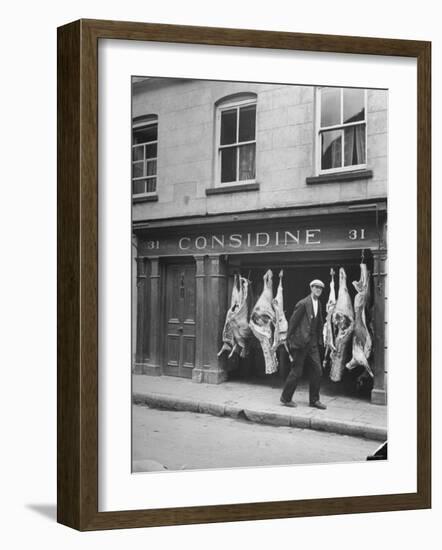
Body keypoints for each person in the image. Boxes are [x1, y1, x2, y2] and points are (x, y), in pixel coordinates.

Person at [280, 279, 327, 409]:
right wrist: (289, 340)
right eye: (316, 287)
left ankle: (314, 400)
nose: (318, 290)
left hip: (312, 343)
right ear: (311, 288)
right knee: (297, 371)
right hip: (300, 343)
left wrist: (320, 340)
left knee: (317, 370)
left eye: (320, 288)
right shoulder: (303, 303)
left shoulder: (319, 304)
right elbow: (293, 322)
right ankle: (286, 398)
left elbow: (319, 323)